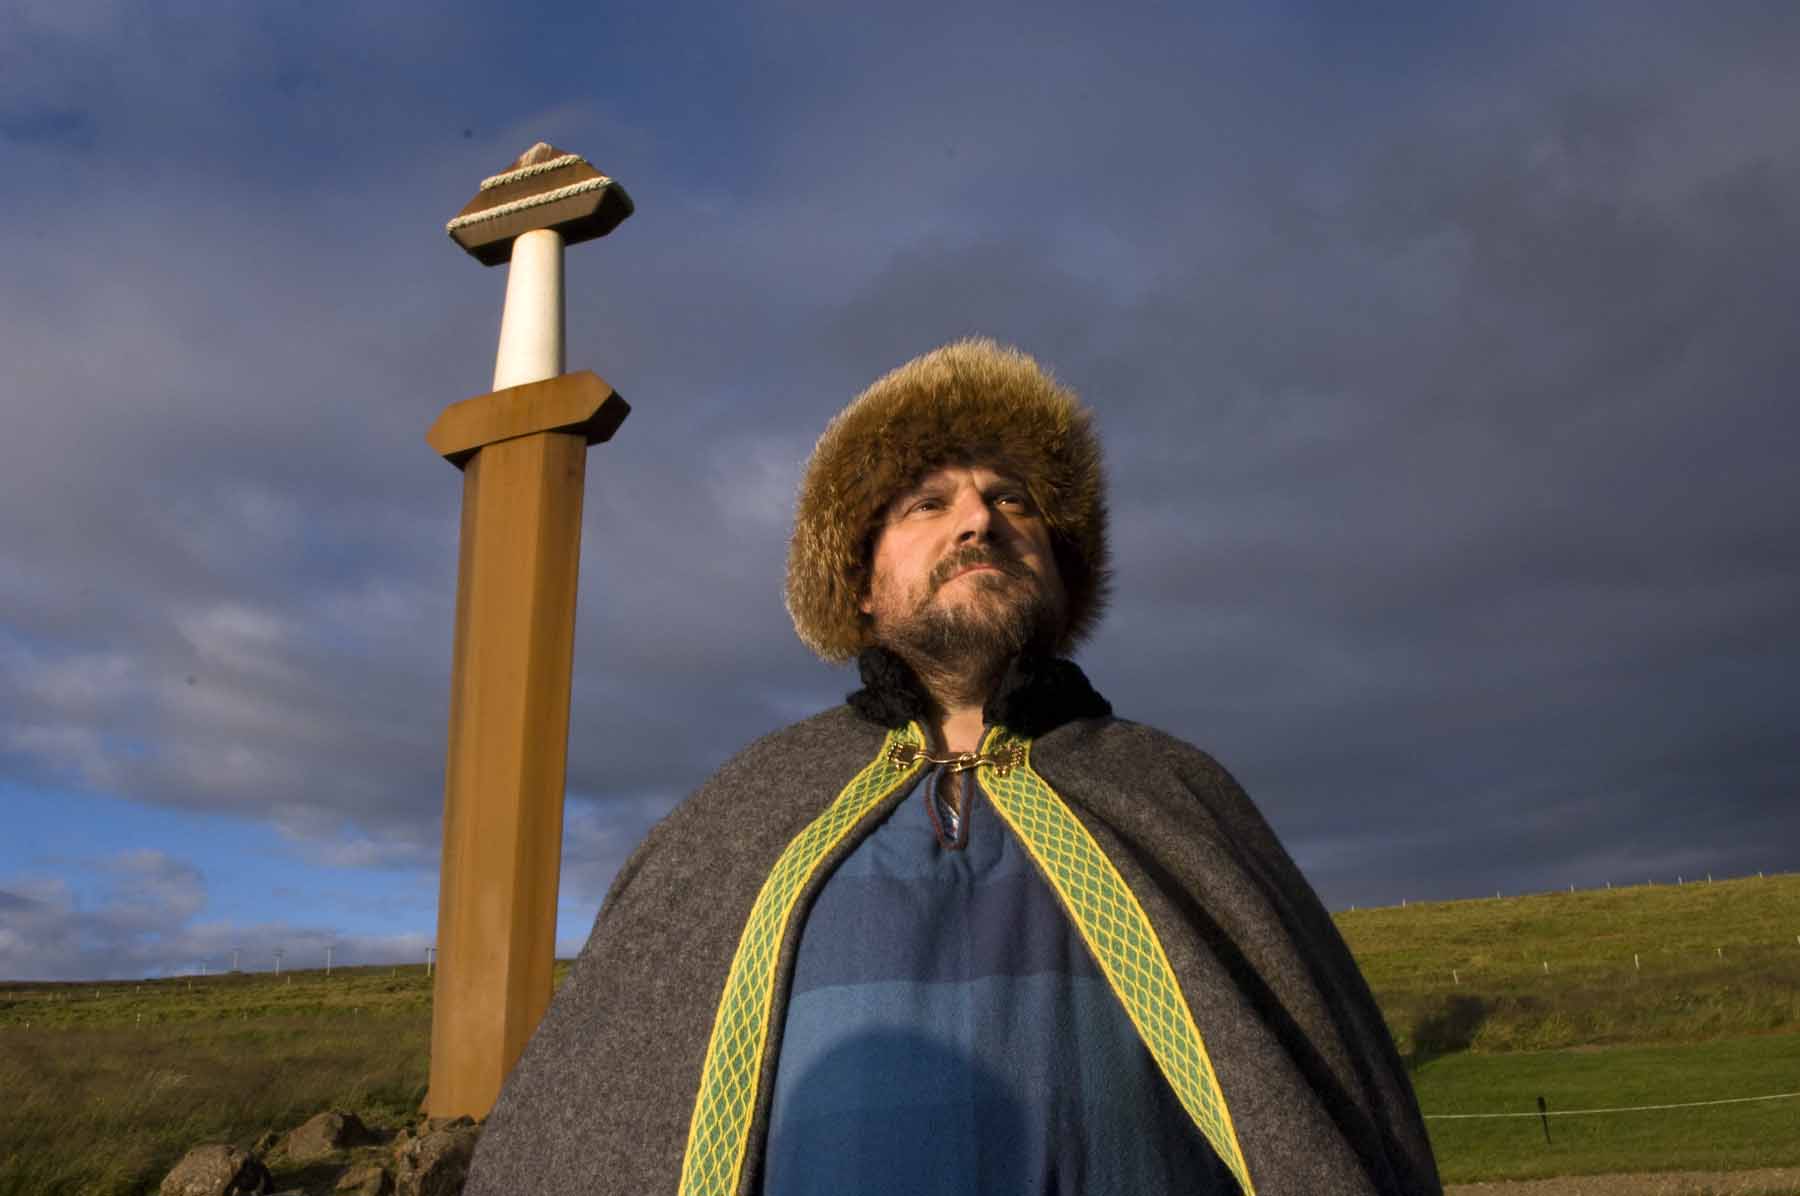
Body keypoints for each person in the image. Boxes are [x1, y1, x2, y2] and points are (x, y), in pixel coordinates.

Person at [463, 339, 1441, 1195]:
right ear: (859, 588)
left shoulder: (1180, 794)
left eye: (1010, 499)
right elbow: (590, 1122)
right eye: (927, 503)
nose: (979, 520)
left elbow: (1330, 1118)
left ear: (1063, 574)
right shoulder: (731, 820)